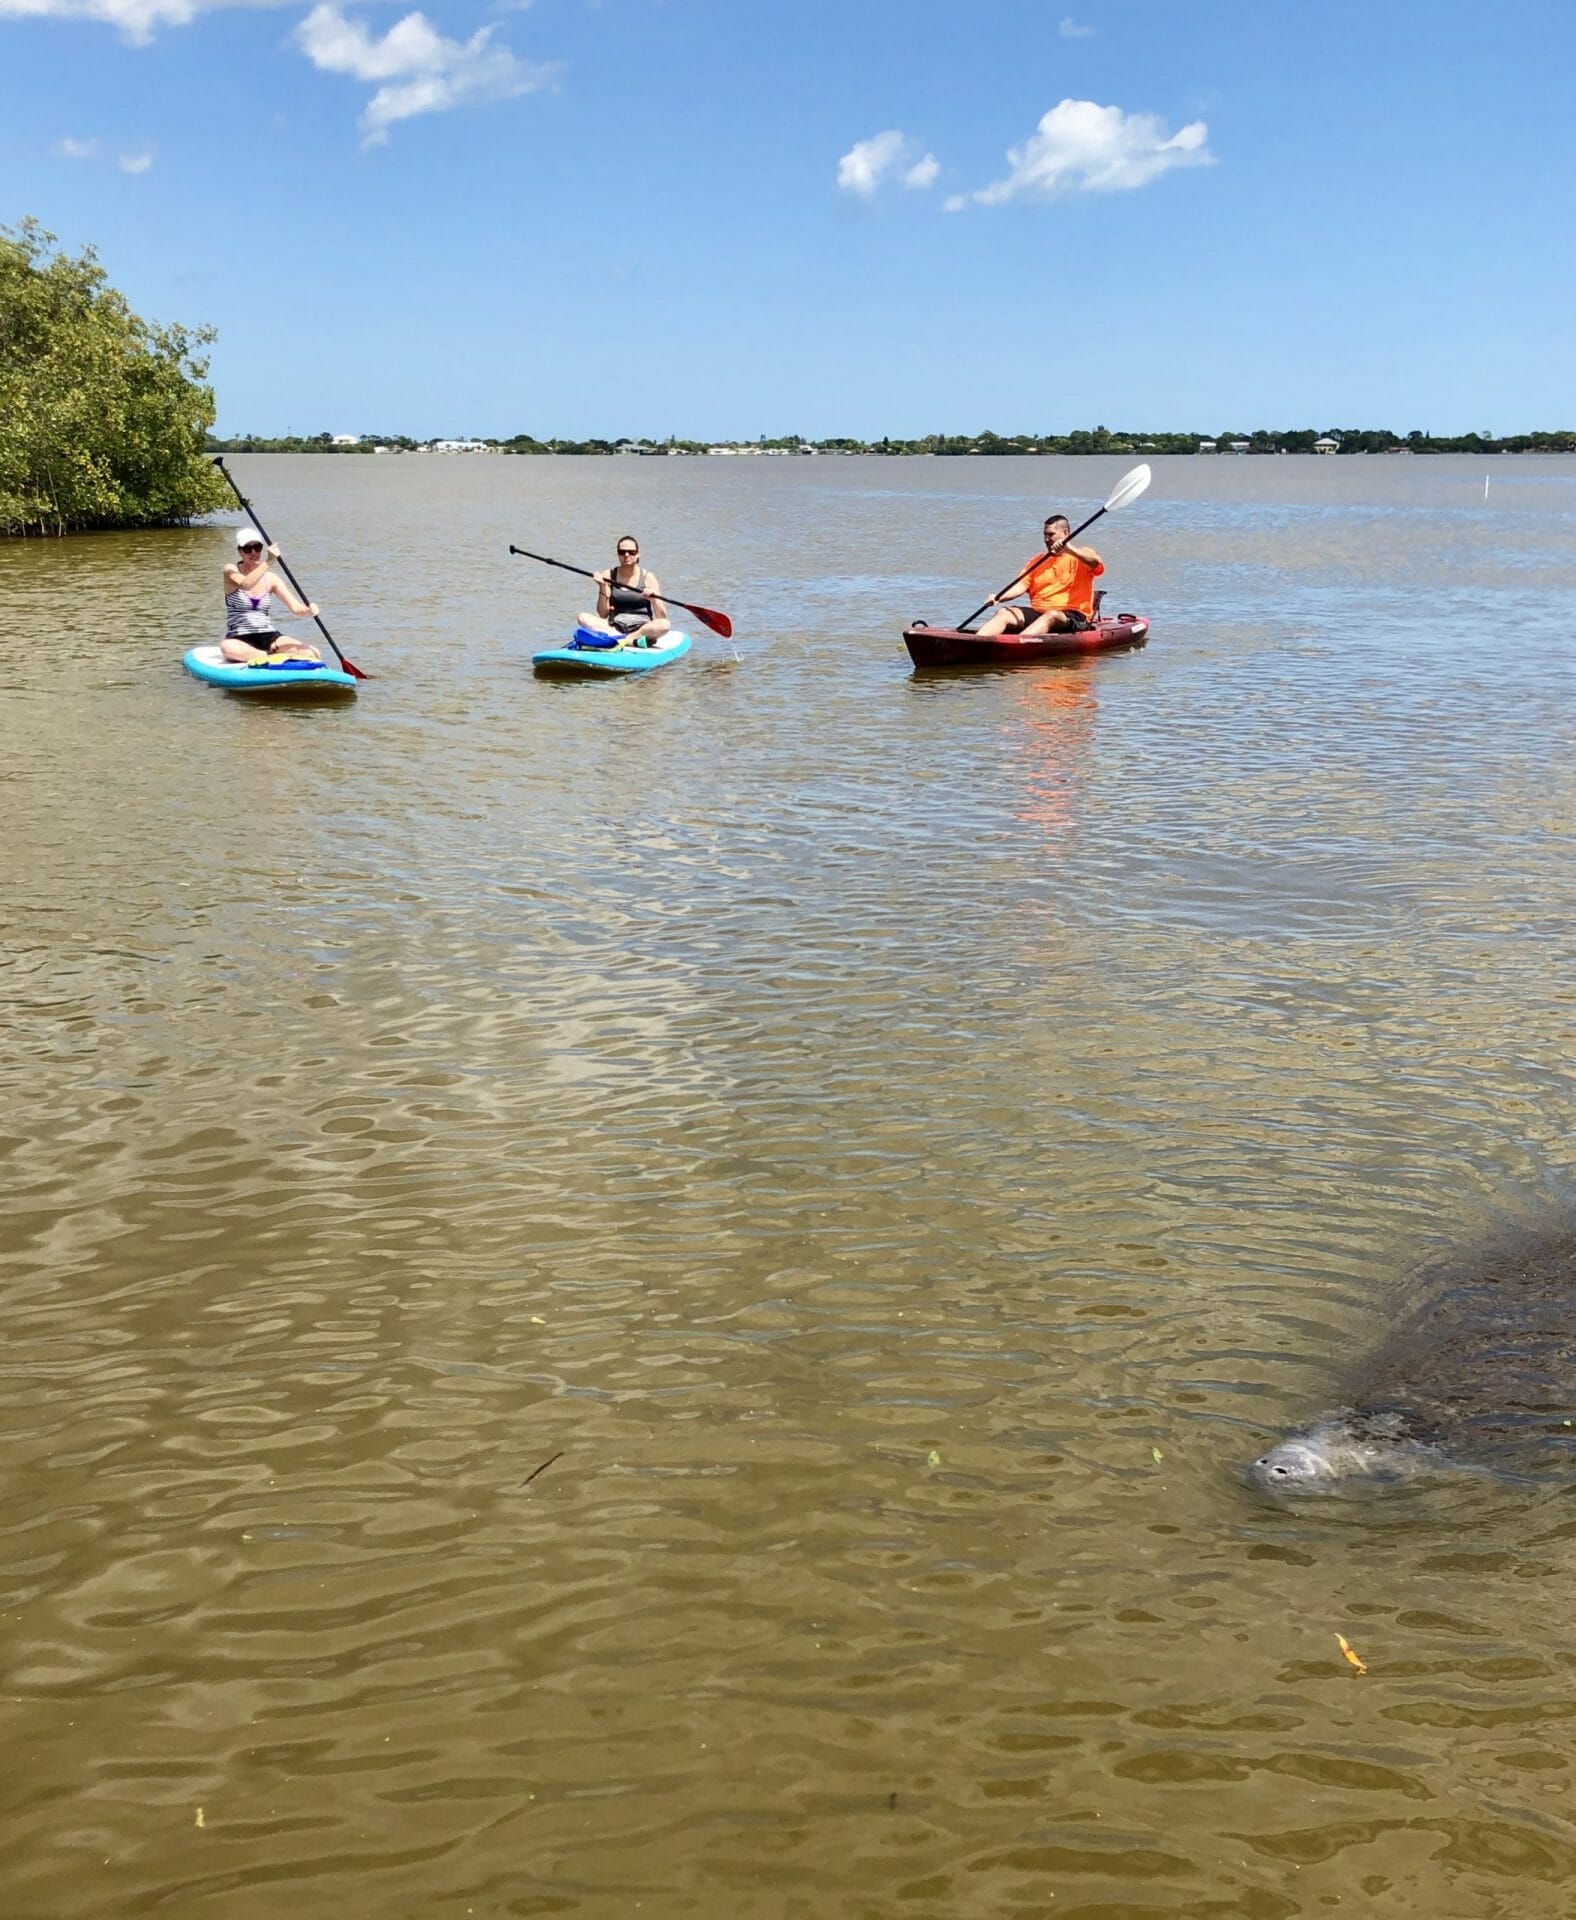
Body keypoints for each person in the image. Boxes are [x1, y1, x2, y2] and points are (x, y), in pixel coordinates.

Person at [976, 514, 1104, 637]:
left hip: (1074, 616)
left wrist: (1069, 549)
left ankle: (1018, 647)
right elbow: (1020, 586)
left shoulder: (1082, 555)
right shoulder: (1037, 560)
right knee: (1004, 613)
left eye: (1051, 535)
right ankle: (977, 642)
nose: (1046, 539)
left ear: (1065, 533)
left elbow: (1095, 563)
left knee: (1052, 615)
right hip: (1039, 612)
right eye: (1045, 535)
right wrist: (998, 598)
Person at [220, 528, 323, 663]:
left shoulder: (271, 579)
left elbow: (296, 608)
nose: (253, 552)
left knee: (312, 653)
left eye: (257, 547)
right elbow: (246, 584)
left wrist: (309, 610)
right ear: (240, 551)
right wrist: (269, 561)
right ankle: (269, 657)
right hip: (239, 637)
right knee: (227, 647)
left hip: (268, 635)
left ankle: (268, 656)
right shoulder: (230, 570)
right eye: (247, 549)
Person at [576, 536, 671, 647]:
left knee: (664, 624)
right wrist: (602, 586)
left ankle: (624, 640)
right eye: (622, 552)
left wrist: (653, 599)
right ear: (618, 554)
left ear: (638, 554)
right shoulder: (608, 575)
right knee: (582, 617)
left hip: (642, 628)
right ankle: (630, 641)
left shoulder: (648, 577)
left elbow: (661, 617)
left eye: (631, 552)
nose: (626, 555)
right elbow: (602, 614)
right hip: (615, 627)